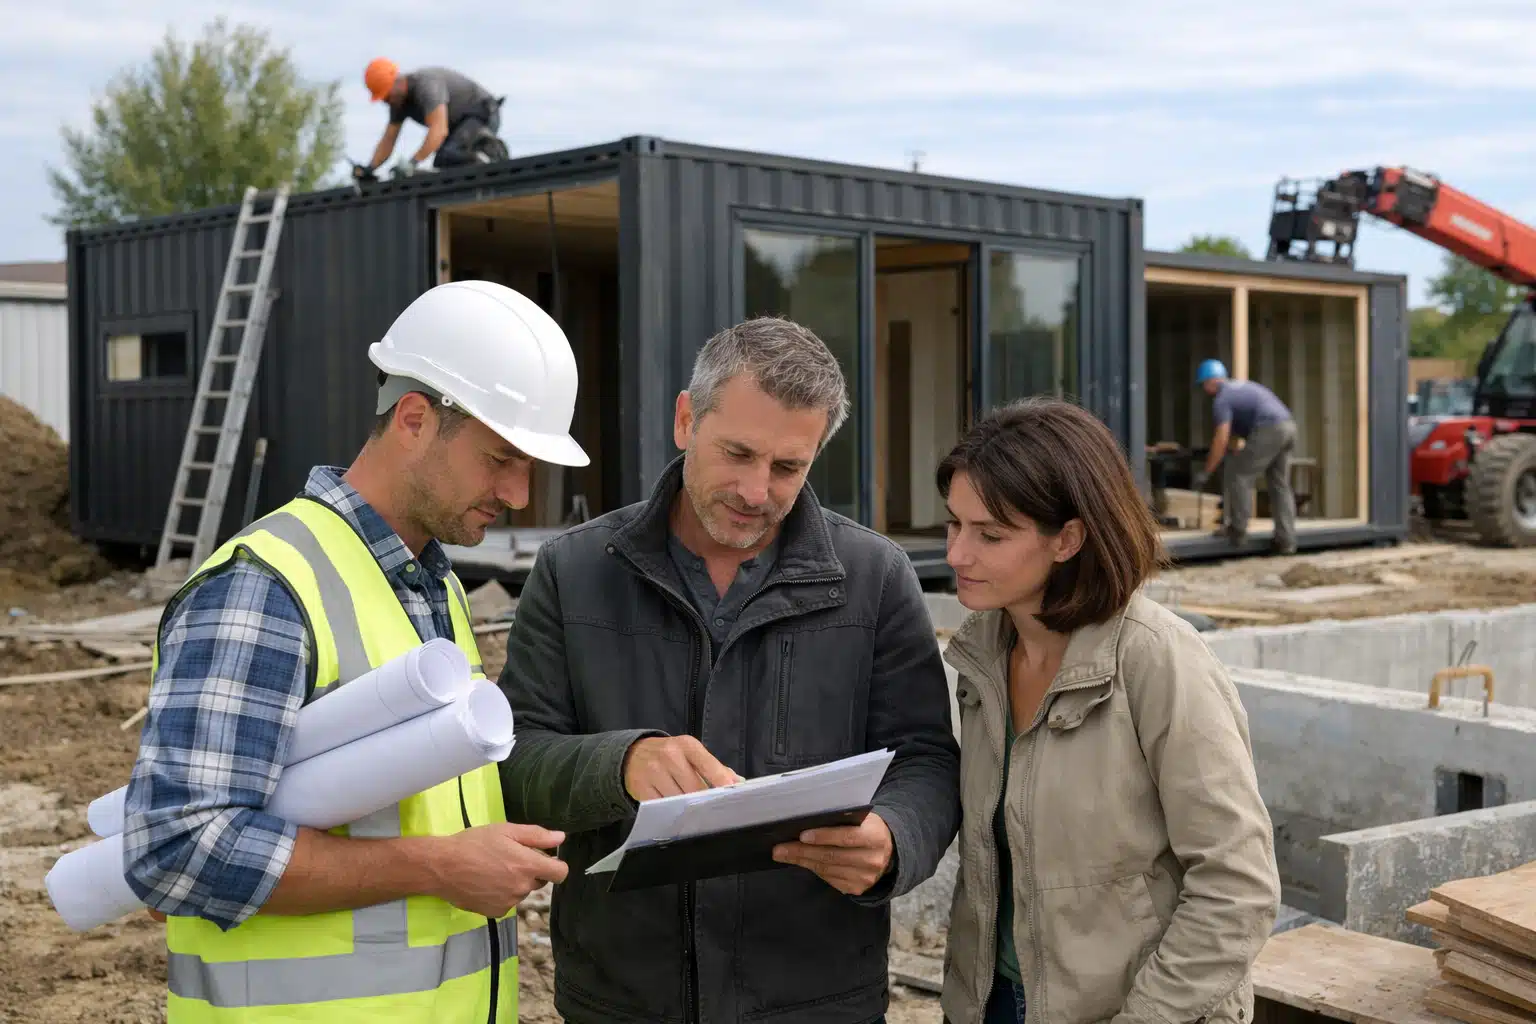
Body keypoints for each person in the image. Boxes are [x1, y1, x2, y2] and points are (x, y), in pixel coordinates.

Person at [120, 281, 588, 1023]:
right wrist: (438, 868)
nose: (521, 494)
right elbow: (175, 847)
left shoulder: (432, 589)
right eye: (501, 458)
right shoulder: (265, 586)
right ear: (413, 419)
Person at [497, 315, 962, 1023]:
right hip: (622, 1002)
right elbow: (511, 763)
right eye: (737, 453)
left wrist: (895, 838)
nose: (755, 490)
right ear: (688, 419)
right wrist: (620, 766)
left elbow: (927, 759)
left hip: (815, 999)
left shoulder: (875, 578)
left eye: (787, 468)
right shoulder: (575, 571)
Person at [937, 397, 1281, 1024]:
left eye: (990, 534)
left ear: (1068, 538)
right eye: (953, 525)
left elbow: (1237, 887)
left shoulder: (1158, 661)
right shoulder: (982, 657)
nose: (958, 555)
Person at [1196, 358, 1300, 554]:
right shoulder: (1240, 388)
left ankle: (1237, 530)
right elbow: (1238, 429)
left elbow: (1221, 438)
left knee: (1238, 475)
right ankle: (1286, 540)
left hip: (1270, 429)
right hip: (1288, 426)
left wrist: (1207, 470)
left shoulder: (1222, 399)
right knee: (1280, 484)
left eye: (1203, 385)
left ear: (1210, 382)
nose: (1204, 390)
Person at [360, 58, 507, 174]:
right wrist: (370, 169)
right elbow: (388, 140)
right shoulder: (397, 103)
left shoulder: (426, 85)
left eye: (387, 96)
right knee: (442, 162)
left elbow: (439, 130)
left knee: (448, 155)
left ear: (397, 81)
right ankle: (477, 160)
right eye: (383, 99)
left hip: (482, 114)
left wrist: (412, 164)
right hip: (458, 126)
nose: (386, 102)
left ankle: (487, 152)